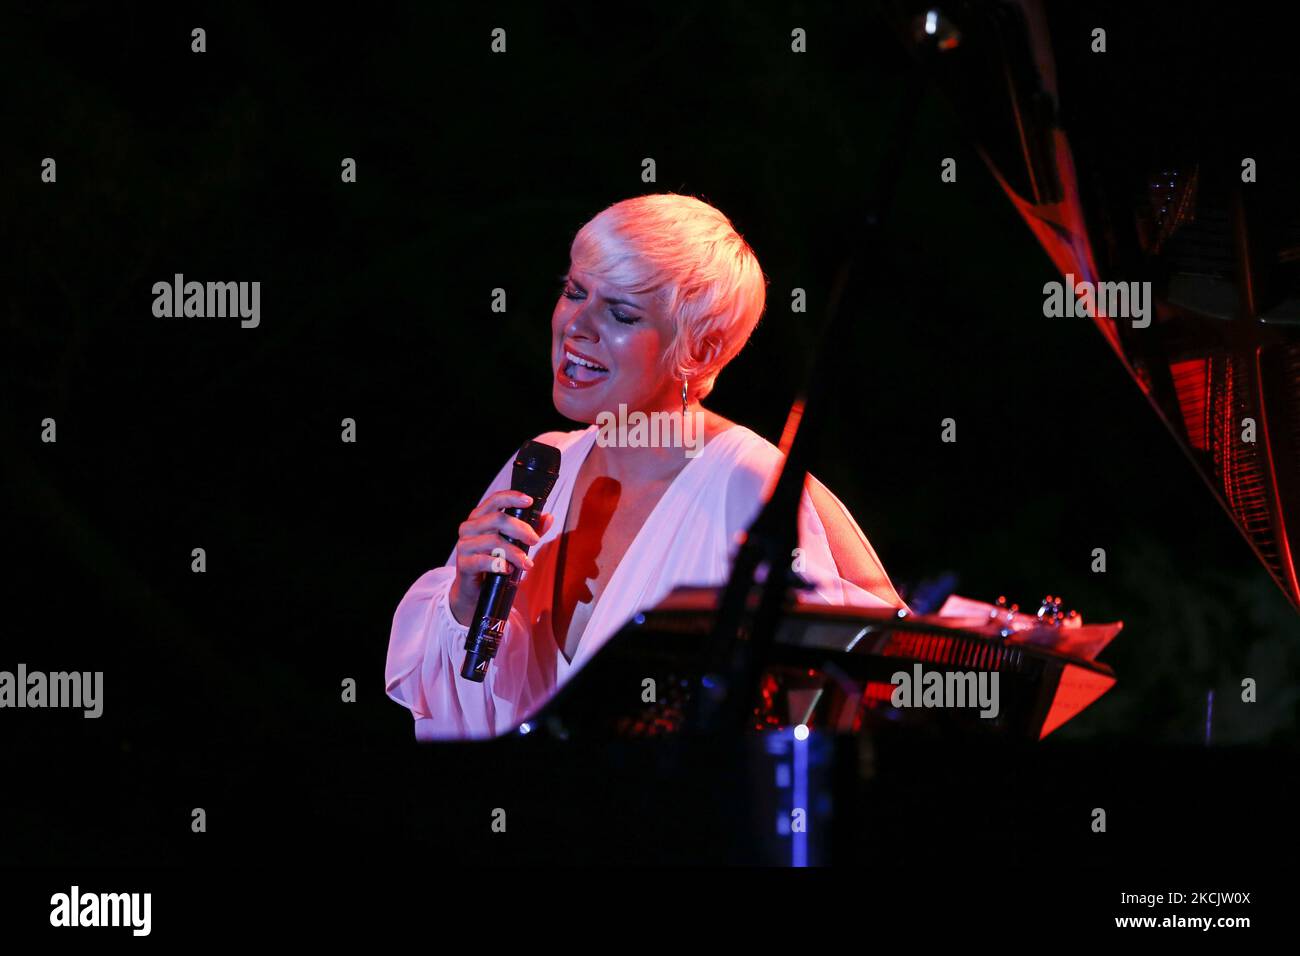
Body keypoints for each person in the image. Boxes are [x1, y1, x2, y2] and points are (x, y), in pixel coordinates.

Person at [386, 193, 906, 740]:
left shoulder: (750, 481)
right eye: (574, 291)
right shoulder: (542, 462)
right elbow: (467, 713)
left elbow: (878, 677)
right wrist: (466, 605)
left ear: (698, 352)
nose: (577, 327)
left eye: (622, 313)